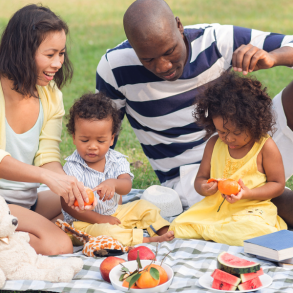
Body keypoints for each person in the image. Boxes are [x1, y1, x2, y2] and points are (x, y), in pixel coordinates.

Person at [95, 0, 293, 226]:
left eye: (169, 52)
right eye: (148, 59)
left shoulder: (216, 41)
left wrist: (274, 57)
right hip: (195, 178)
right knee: (269, 203)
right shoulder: (114, 67)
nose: (163, 66)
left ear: (179, 26)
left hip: (250, 144)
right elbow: (102, 138)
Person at [0, 4, 94, 255]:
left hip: (25, 202)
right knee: (59, 244)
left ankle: (12, 233)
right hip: (2, 203)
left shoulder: (51, 95)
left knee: (92, 199)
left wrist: (65, 182)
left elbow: (47, 155)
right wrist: (44, 178)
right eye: (50, 54)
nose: (58, 63)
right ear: (23, 50)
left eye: (61, 53)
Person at [168, 71, 286, 246]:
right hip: (214, 209)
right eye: (222, 132)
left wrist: (248, 193)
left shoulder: (264, 146)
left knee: (254, 230)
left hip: (250, 210)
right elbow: (200, 179)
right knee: (176, 226)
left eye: (236, 133)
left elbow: (278, 185)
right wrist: (204, 188)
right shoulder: (214, 144)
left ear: (253, 123)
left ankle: (212, 233)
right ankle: (217, 232)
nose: (229, 138)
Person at [61, 92, 174, 246]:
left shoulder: (117, 159)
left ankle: (163, 230)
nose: (92, 146)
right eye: (84, 140)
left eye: (101, 140)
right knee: (107, 233)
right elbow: (67, 204)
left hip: (115, 212)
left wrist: (113, 183)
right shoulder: (72, 167)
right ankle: (145, 239)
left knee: (144, 206)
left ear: (112, 138)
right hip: (84, 223)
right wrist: (101, 220)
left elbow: (126, 186)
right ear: (74, 137)